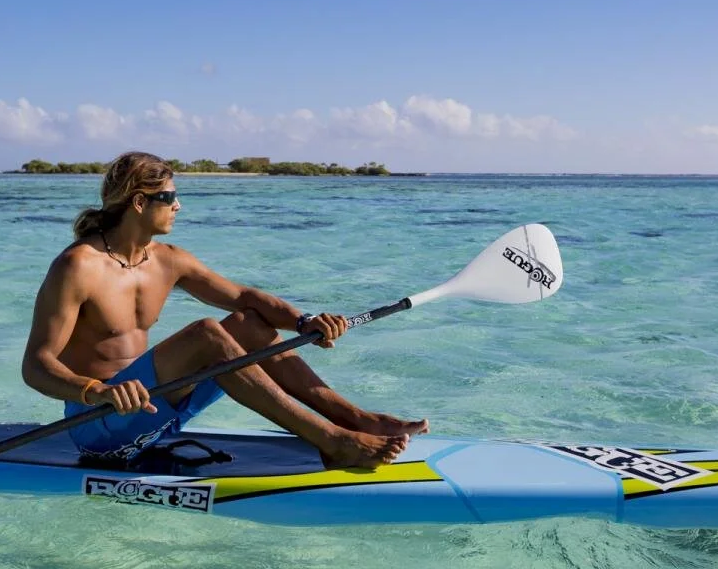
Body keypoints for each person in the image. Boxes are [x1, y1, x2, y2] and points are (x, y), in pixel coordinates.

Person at [21, 151, 427, 469]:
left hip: (161, 414)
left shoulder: (168, 259)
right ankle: (332, 441)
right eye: (170, 197)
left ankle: (354, 419)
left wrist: (305, 322)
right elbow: (36, 365)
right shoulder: (78, 266)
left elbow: (244, 297)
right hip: (99, 426)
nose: (179, 206)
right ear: (140, 202)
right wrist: (97, 391)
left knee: (249, 325)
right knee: (206, 335)